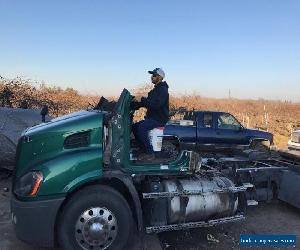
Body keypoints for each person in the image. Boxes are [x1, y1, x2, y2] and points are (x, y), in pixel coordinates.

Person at [132, 68, 169, 160]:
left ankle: (150, 153)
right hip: (152, 117)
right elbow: (147, 103)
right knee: (135, 127)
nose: (152, 77)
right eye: (152, 75)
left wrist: (142, 99)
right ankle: (143, 149)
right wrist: (133, 104)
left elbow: (156, 105)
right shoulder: (155, 90)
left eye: (154, 75)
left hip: (159, 119)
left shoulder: (163, 90)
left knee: (142, 128)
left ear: (159, 77)